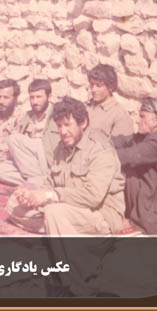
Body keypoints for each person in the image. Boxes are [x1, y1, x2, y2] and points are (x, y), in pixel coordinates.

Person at [8, 97, 125, 235]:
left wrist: (50, 195)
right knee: (13, 204)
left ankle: (64, 236)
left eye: (67, 125)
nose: (63, 131)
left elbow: (93, 197)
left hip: (100, 213)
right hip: (68, 206)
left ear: (83, 123)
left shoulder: (100, 150)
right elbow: (50, 181)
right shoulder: (62, 146)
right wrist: (33, 196)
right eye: (59, 126)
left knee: (54, 212)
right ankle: (60, 229)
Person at [112, 97, 157, 235]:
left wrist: (98, 153)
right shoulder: (148, 136)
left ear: (156, 120)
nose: (137, 120)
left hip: (149, 212)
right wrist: (98, 138)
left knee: (121, 166)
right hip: (143, 199)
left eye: (142, 116)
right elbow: (123, 140)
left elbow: (127, 156)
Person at [0, 79, 60, 186]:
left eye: (39, 97)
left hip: (46, 156)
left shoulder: (57, 114)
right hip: (30, 162)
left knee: (14, 138)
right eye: (32, 97)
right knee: (1, 170)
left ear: (49, 97)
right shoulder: (28, 116)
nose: (35, 101)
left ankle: (35, 181)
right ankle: (40, 182)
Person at [87, 64, 133, 137]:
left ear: (110, 87)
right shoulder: (86, 106)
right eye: (92, 84)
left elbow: (118, 143)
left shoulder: (120, 115)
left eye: (98, 86)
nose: (93, 89)